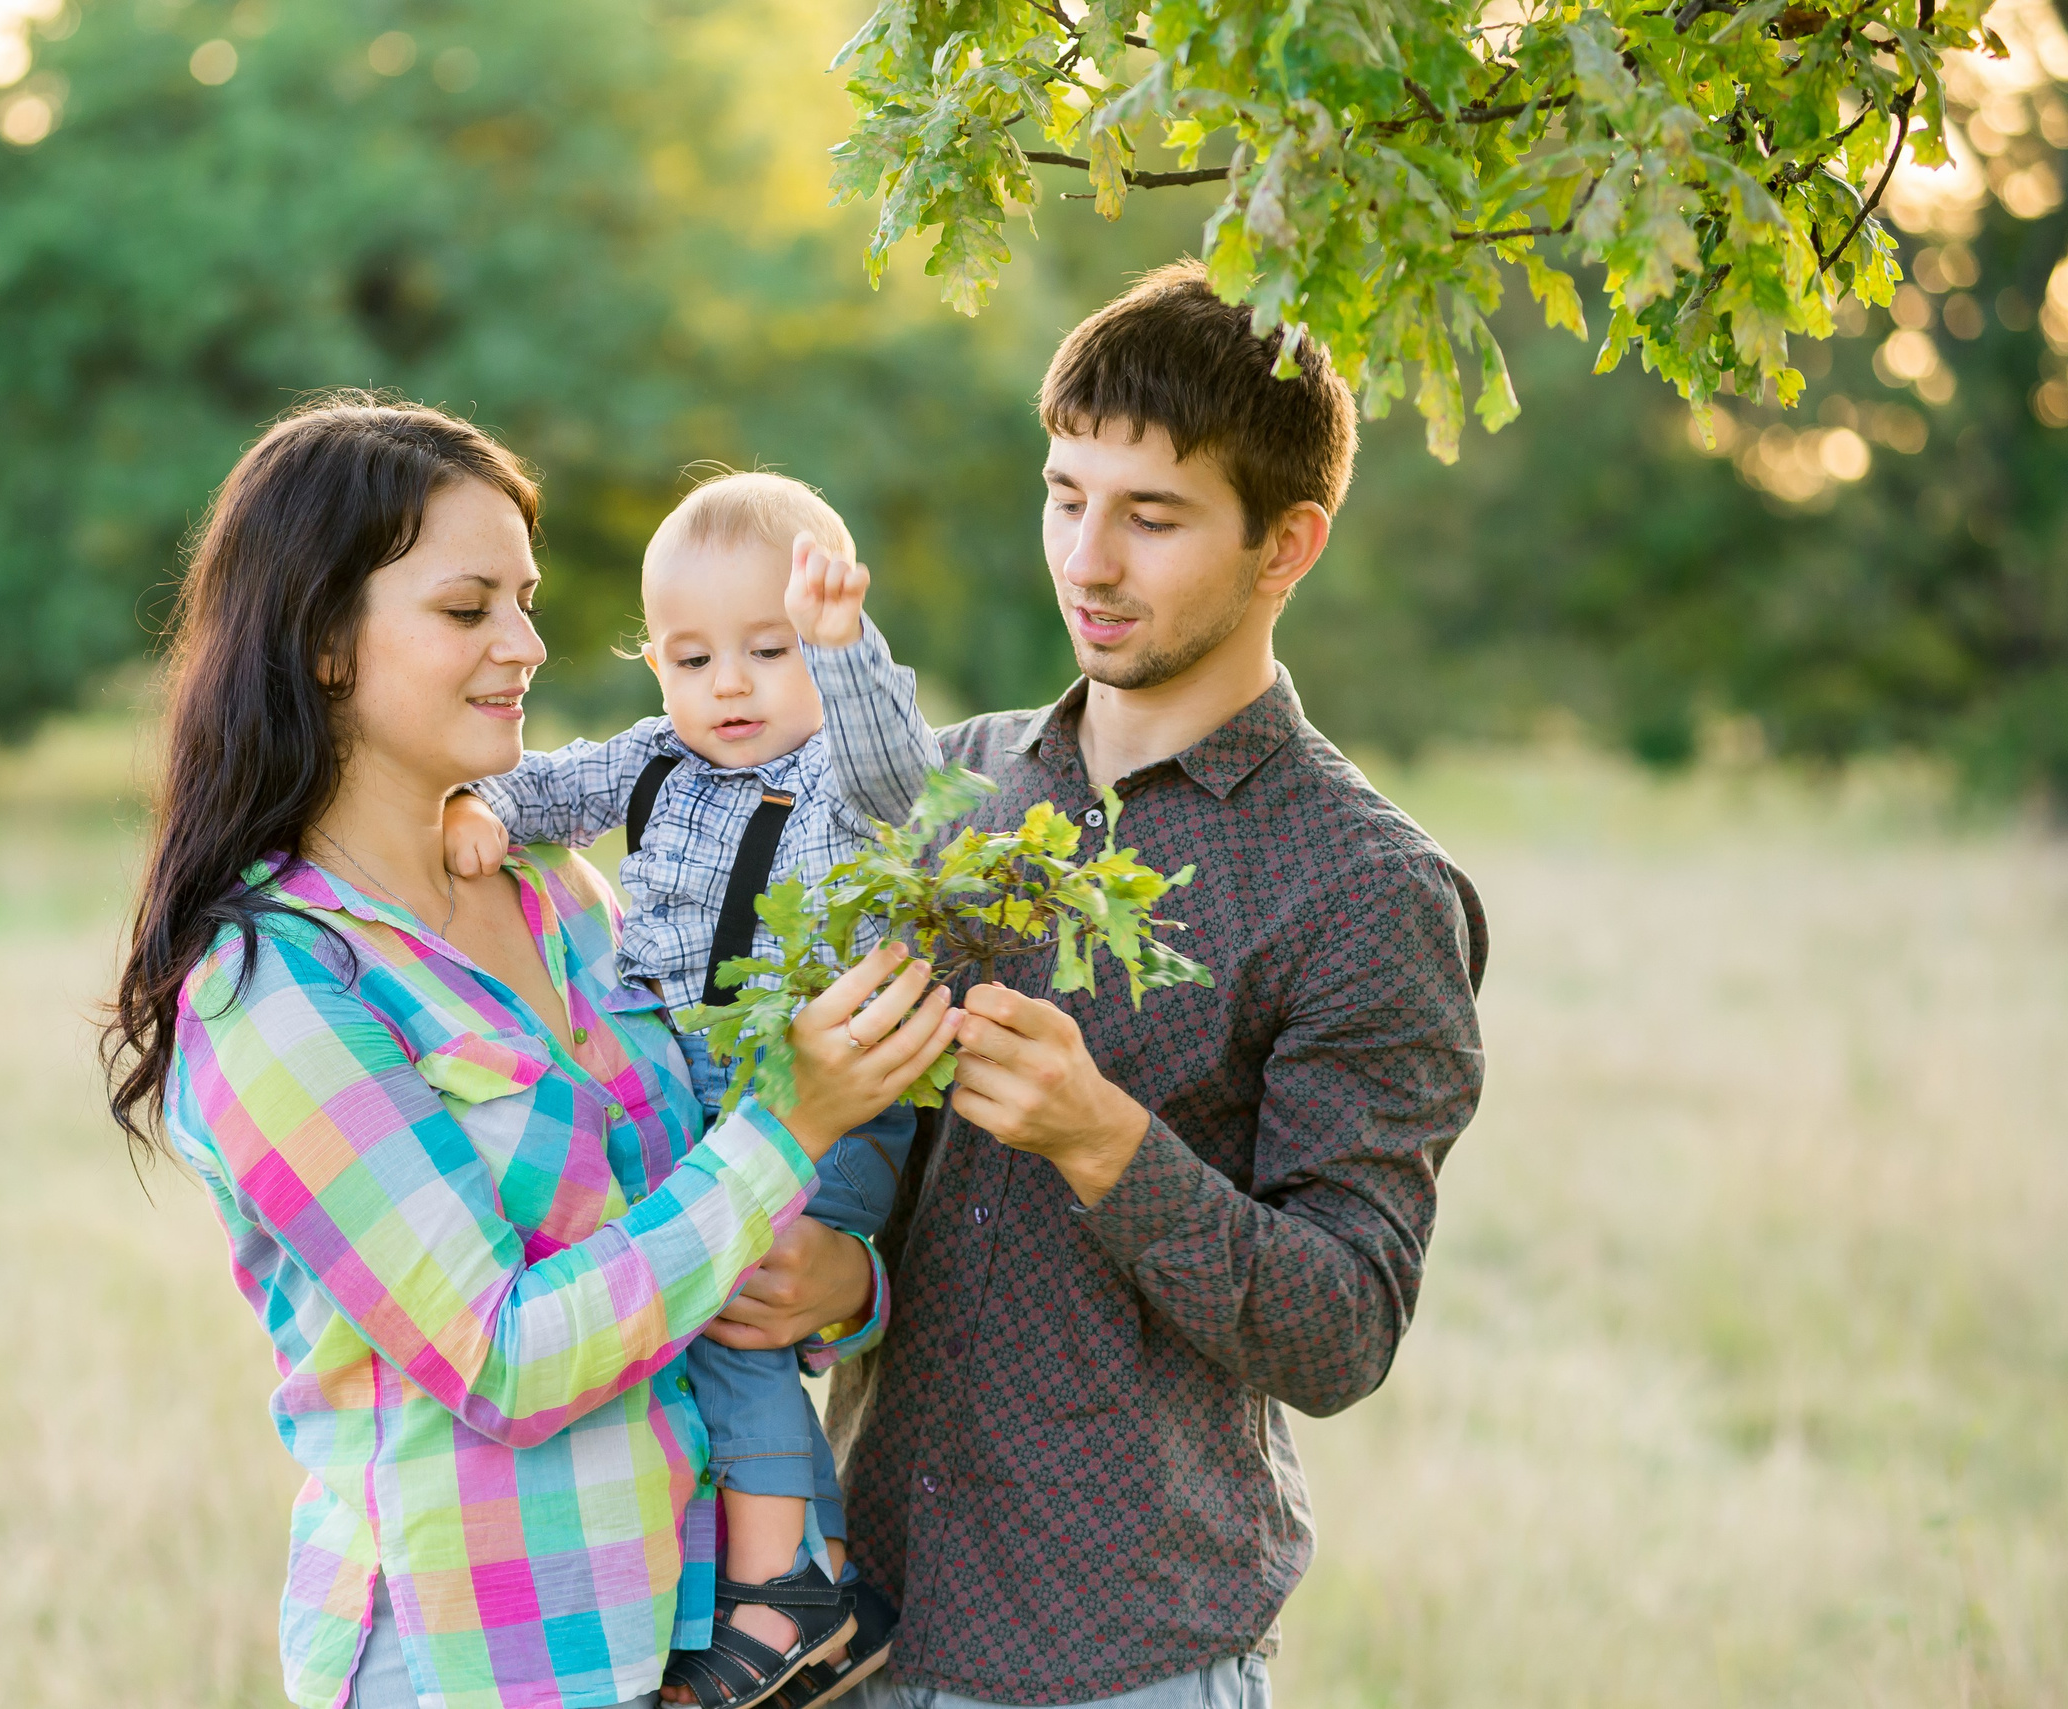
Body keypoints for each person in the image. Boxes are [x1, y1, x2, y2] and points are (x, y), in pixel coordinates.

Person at [99, 397, 964, 1709]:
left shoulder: (558, 889)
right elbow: (502, 1355)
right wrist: (793, 1122)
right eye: (468, 610)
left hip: (699, 1643)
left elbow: (697, 1207)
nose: (528, 644)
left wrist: (843, 1280)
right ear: (327, 644)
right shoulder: (276, 988)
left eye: (527, 597)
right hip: (480, 1664)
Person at [744, 262, 1493, 1709]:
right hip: (855, 1632)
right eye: (1064, 494)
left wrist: (1106, 1140)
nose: (1088, 559)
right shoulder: (946, 788)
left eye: (1152, 518)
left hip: (1119, 1661)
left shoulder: (1368, 889)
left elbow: (1344, 1327)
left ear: (1290, 544)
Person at [440, 471, 936, 1708]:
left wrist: (847, 652)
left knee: (732, 1300)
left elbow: (902, 776)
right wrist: (487, 812)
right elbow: (555, 784)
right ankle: (799, 1569)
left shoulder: (838, 770)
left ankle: (784, 1588)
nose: (730, 684)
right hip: (717, 1096)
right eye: (691, 655)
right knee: (718, 1303)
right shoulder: (657, 763)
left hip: (834, 1083)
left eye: (769, 650)